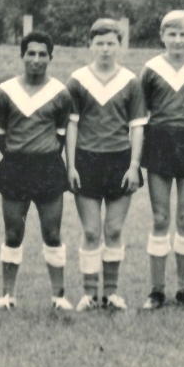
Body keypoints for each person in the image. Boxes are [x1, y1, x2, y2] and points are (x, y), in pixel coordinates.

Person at [0, 30, 76, 311]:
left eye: (42, 54)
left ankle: (59, 297)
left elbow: (61, 134)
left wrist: (42, 153)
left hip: (48, 166)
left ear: (50, 57)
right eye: (31, 53)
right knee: (13, 233)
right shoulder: (5, 91)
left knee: (52, 233)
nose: (36, 59)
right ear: (22, 55)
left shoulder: (60, 92)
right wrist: (17, 155)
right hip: (14, 166)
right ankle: (7, 296)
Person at [65, 19, 147, 312]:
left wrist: (134, 165)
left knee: (113, 230)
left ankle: (111, 293)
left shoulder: (130, 81)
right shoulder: (77, 80)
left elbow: (138, 126)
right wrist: (71, 165)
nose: (105, 49)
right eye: (99, 43)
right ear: (90, 45)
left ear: (119, 46)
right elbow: (71, 126)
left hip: (119, 160)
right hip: (86, 160)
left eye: (111, 43)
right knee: (90, 231)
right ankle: (89, 294)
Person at [138, 10, 184, 310]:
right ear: (162, 36)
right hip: (158, 143)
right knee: (160, 218)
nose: (178, 40)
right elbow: (140, 113)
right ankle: (156, 291)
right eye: (172, 34)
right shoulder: (151, 68)